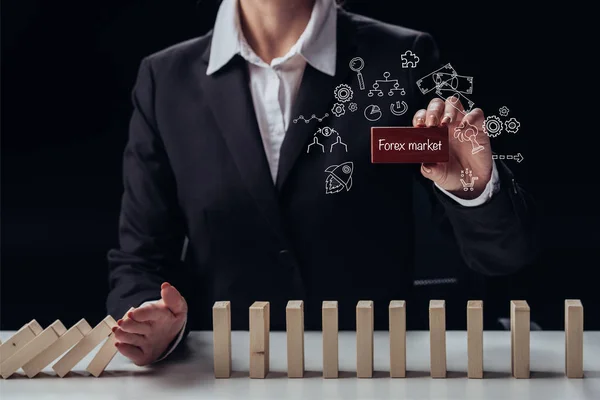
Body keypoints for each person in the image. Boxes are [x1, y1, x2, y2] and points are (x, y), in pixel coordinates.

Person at [106, 0, 536, 366]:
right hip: (223, 371)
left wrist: (473, 188)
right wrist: (153, 324)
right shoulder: (166, 80)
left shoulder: (401, 58)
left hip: (373, 369)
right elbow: (139, 260)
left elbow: (501, 257)